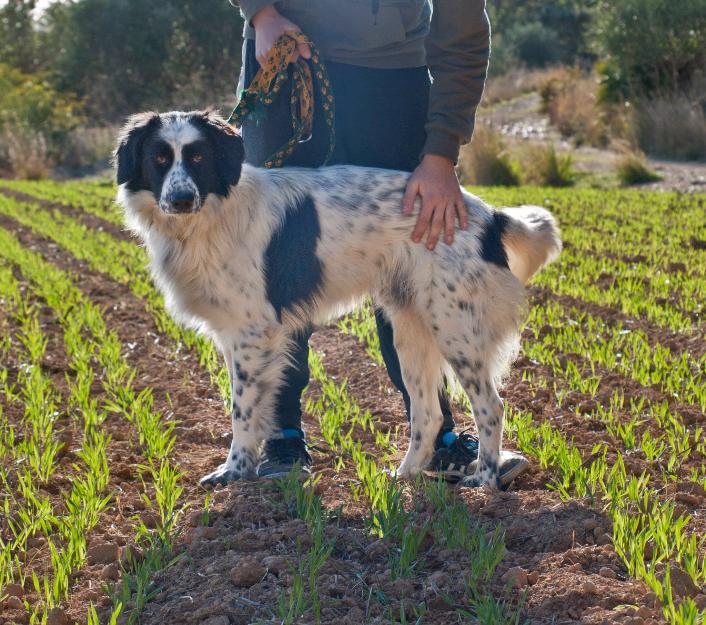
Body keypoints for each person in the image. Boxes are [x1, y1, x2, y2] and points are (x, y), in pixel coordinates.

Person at [232, 0, 528, 486]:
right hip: (282, 54)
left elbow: (463, 36)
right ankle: (276, 437)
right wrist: (260, 13)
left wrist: (440, 154)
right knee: (274, 265)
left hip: (392, 79)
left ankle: (440, 441)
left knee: (417, 251)